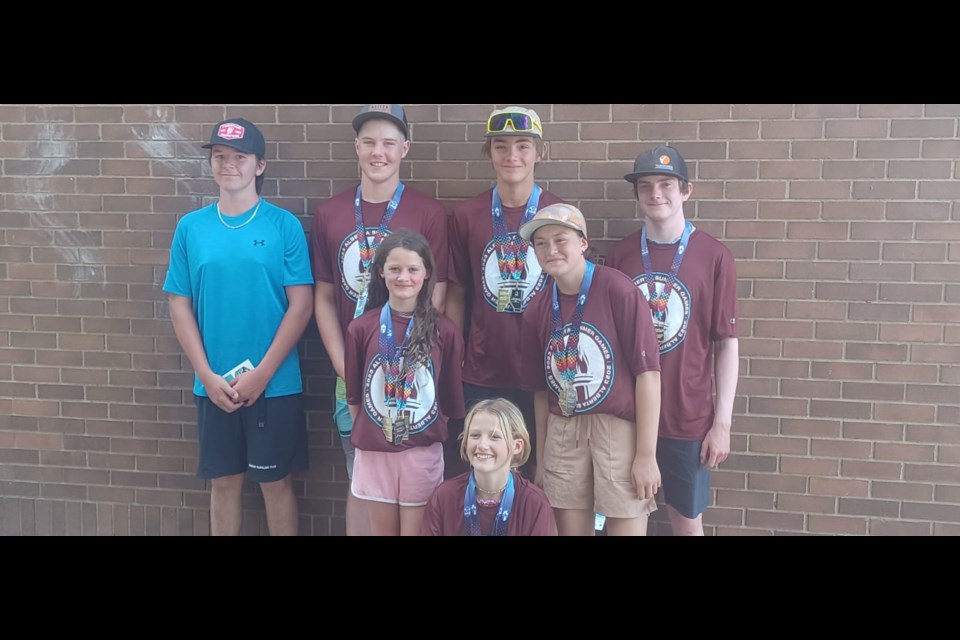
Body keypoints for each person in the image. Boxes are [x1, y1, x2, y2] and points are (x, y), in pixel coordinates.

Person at [163, 118, 314, 536]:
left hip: (274, 383)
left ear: (259, 166)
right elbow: (179, 305)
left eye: (239, 157)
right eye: (220, 157)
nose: (228, 165)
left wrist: (262, 374)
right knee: (224, 483)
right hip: (213, 384)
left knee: (275, 483)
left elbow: (301, 306)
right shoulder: (191, 228)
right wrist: (206, 376)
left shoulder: (283, 226)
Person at [311, 104, 450, 535]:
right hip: (350, 369)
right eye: (369, 141)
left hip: (411, 373)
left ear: (404, 148)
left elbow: (439, 290)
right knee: (362, 481)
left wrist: (412, 359)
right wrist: (344, 362)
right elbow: (324, 295)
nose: (378, 152)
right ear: (356, 146)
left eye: (389, 142)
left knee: (415, 483)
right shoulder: (329, 213)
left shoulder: (428, 212)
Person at [606, 145, 739, 536]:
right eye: (645, 186)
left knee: (686, 523)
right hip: (626, 419)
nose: (656, 194)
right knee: (625, 521)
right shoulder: (620, 256)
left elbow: (726, 343)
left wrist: (722, 423)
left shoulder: (715, 256)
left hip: (687, 417)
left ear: (686, 191)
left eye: (666, 184)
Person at [519, 203, 662, 536]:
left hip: (617, 429)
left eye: (560, 239)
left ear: (583, 242)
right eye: (541, 243)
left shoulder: (618, 290)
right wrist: (541, 458)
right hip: (562, 429)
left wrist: (646, 455)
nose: (551, 250)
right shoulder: (538, 307)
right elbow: (541, 391)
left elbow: (649, 375)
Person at [446, 106, 563, 480]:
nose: (512, 155)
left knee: (535, 476)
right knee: (480, 474)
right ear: (489, 153)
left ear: (540, 152)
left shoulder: (558, 213)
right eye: (501, 146)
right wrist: (455, 361)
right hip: (482, 369)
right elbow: (457, 293)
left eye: (523, 146)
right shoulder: (467, 215)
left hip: (542, 371)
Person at [344, 230, 465, 536]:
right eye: (395, 269)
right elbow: (355, 397)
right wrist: (376, 431)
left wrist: (418, 430)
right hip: (375, 452)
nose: (404, 277)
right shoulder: (360, 329)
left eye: (413, 269)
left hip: (421, 452)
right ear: (381, 271)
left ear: (427, 274)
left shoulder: (445, 331)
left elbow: (450, 399)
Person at [420, 398, 556, 536]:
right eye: (475, 435)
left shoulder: (534, 503)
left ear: (517, 446)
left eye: (494, 437)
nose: (482, 445)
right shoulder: (444, 497)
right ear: (466, 442)